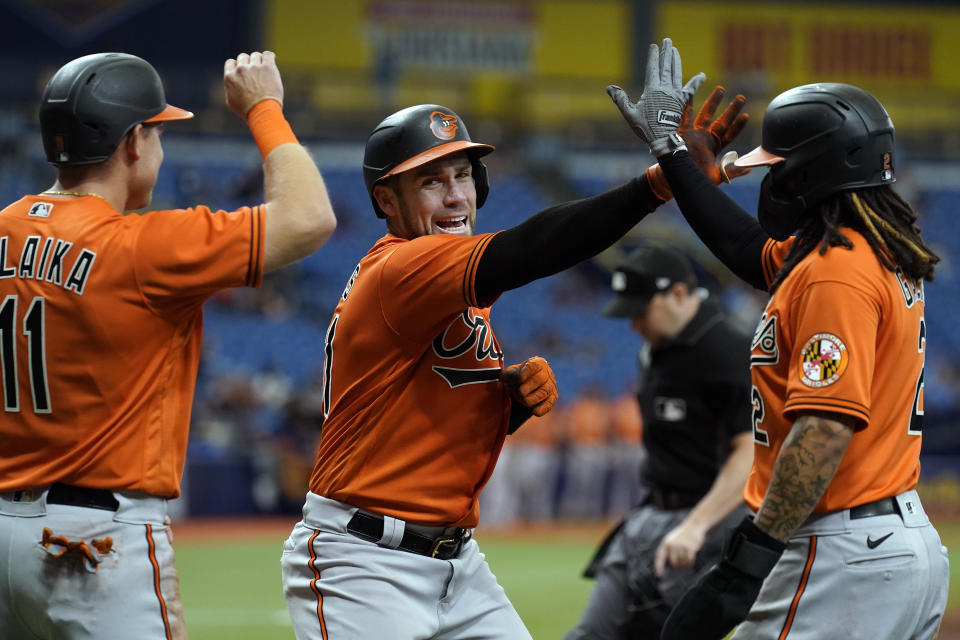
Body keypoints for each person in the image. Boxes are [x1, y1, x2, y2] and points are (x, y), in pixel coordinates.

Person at [279, 45, 751, 638]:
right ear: (386, 201)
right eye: (431, 182)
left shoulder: (447, 286)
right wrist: (660, 180)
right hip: (364, 561)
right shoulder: (403, 268)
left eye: (462, 176)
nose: (455, 196)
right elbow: (536, 246)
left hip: (452, 560)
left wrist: (506, 408)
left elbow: (410, 428)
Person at [608, 38, 949, 639]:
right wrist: (673, 159)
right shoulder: (861, 249)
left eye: (776, 166)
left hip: (839, 551)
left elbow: (823, 429)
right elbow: (746, 249)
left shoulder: (833, 272)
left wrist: (746, 562)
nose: (768, 177)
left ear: (810, 173)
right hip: (884, 542)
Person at [0, 51, 336, 639]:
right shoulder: (145, 246)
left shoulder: (4, 228)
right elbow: (309, 217)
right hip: (92, 537)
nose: (160, 147)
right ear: (134, 141)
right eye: (158, 133)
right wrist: (264, 108)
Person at [566, 246, 753, 639]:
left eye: (640, 311)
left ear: (679, 295)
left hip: (707, 521)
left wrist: (697, 525)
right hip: (650, 514)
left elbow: (750, 452)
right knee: (591, 633)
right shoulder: (653, 351)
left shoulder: (727, 350)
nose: (633, 324)